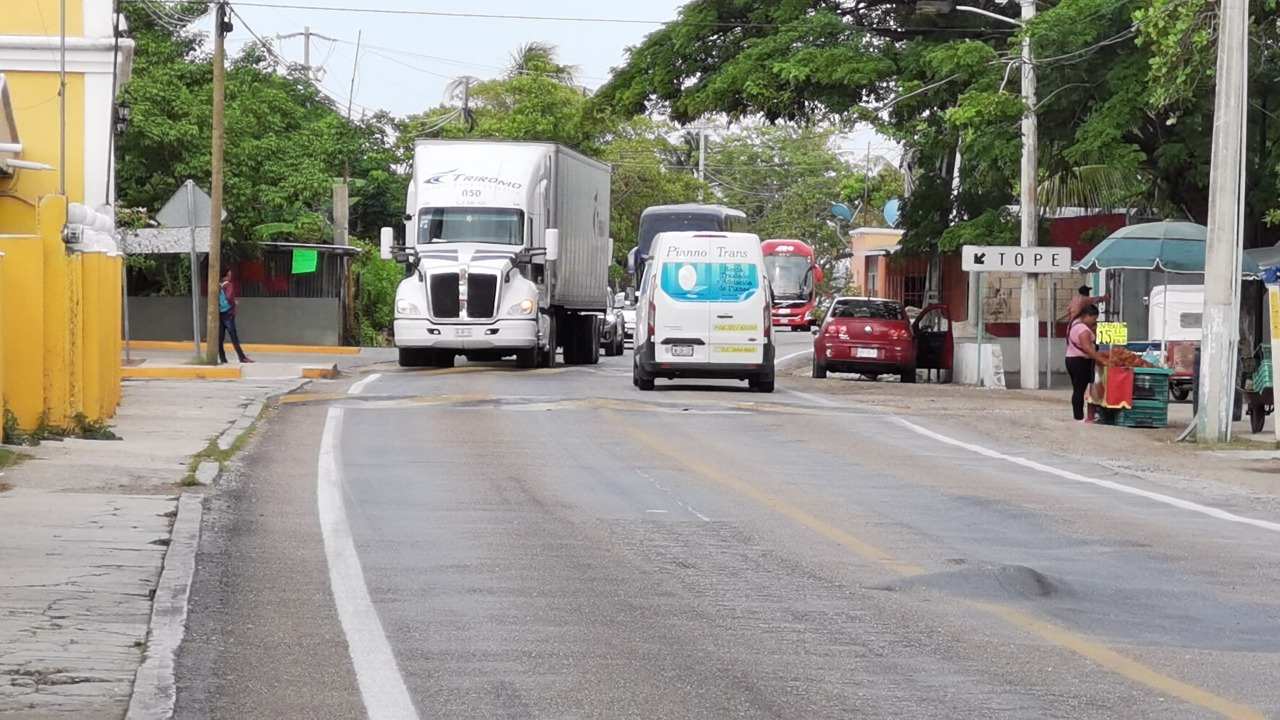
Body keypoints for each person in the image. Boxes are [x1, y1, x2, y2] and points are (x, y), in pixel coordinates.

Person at [1065, 304, 1109, 422]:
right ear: (1086, 315)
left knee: (1077, 388)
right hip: (1081, 361)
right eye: (1093, 319)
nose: (1094, 321)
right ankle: (1078, 416)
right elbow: (1088, 349)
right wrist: (1101, 360)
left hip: (1071, 359)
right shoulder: (1083, 330)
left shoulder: (1074, 324)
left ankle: (1077, 415)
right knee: (1080, 389)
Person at [218, 269, 254, 365]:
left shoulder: (218, 285)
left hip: (220, 312)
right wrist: (234, 303)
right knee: (234, 336)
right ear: (228, 274)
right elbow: (229, 297)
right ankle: (241, 357)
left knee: (220, 337)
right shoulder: (228, 285)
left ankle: (223, 358)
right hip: (228, 313)